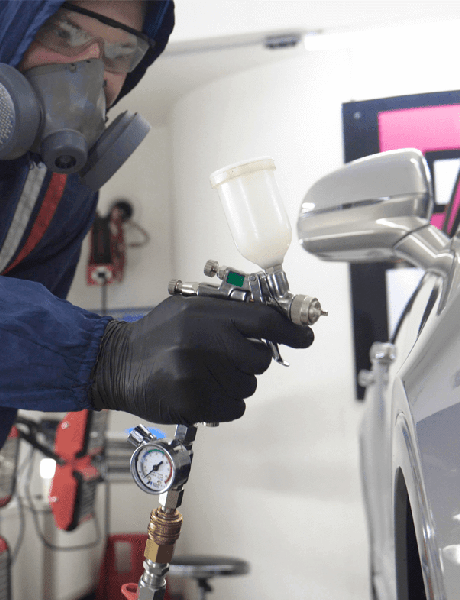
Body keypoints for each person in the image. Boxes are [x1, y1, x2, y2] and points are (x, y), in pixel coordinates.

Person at [0, 0, 314, 449]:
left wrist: (161, 340)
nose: (93, 73)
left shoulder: (65, 189)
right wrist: (105, 357)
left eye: (122, 51)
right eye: (65, 34)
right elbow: (96, 354)